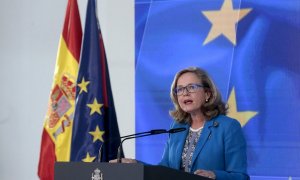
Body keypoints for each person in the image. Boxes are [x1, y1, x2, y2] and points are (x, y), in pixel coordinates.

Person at [111, 67, 249, 180]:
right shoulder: (177, 127)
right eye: (180, 89)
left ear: (207, 94)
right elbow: (164, 169)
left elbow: (240, 176)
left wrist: (214, 175)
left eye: (191, 87)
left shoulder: (228, 127)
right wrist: (137, 165)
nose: (185, 93)